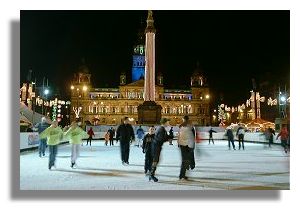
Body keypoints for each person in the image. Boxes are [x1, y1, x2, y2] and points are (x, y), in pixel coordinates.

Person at [149, 118, 171, 182]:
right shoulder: (161, 129)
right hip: (156, 146)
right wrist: (169, 138)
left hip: (156, 146)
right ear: (165, 123)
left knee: (156, 160)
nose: (168, 123)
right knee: (155, 160)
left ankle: (151, 174)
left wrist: (170, 136)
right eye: (167, 122)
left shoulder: (161, 128)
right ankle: (151, 175)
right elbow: (162, 139)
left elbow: (163, 137)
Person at [177, 116, 195, 180]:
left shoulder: (181, 126)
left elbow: (178, 135)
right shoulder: (190, 127)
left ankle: (182, 174)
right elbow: (193, 136)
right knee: (185, 160)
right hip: (186, 145)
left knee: (185, 160)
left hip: (184, 145)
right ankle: (182, 175)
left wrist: (178, 143)